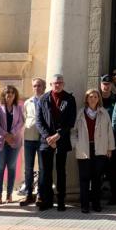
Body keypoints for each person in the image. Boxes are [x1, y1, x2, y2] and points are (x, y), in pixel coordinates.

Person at [36, 74, 77, 211]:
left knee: (61, 171)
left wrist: (58, 135)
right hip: (45, 141)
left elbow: (71, 121)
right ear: (50, 84)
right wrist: (48, 137)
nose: (57, 85)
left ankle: (61, 200)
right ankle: (45, 200)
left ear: (63, 84)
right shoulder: (43, 99)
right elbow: (39, 121)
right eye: (55, 83)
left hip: (61, 139)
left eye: (60, 82)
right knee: (45, 172)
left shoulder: (70, 99)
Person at [72, 89, 115, 213]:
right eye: (90, 97)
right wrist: (76, 144)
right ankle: (84, 205)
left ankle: (96, 204)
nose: (93, 99)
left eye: (95, 97)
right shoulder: (80, 113)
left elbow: (109, 131)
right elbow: (73, 132)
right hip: (84, 148)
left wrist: (110, 148)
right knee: (84, 178)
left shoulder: (104, 113)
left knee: (97, 178)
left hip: (99, 149)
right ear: (86, 99)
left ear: (98, 99)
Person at [0, 84, 24, 204]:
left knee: (11, 168)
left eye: (12, 92)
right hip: (1, 141)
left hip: (14, 142)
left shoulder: (19, 108)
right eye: (7, 93)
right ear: (4, 95)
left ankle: (9, 194)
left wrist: (11, 134)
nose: (9, 95)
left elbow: (21, 122)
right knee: (0, 167)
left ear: (15, 95)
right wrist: (5, 135)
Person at [20, 78, 45, 207]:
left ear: (44, 87)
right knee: (28, 168)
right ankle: (28, 193)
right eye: (35, 86)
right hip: (29, 138)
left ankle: (40, 194)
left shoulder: (47, 101)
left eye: (39, 85)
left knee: (42, 168)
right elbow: (25, 118)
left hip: (42, 139)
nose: (37, 88)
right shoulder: (27, 102)